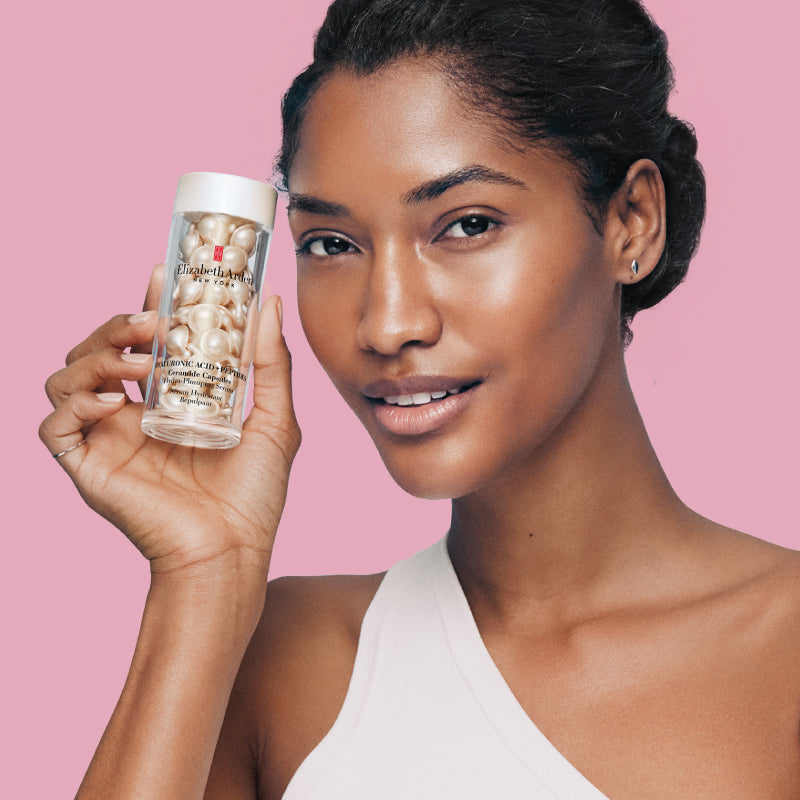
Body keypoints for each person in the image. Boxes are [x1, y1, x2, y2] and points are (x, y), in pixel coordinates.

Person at [39, 0, 800, 797]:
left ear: (631, 222)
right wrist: (201, 574)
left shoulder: (782, 652)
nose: (388, 321)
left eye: (466, 225)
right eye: (331, 244)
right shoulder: (280, 664)